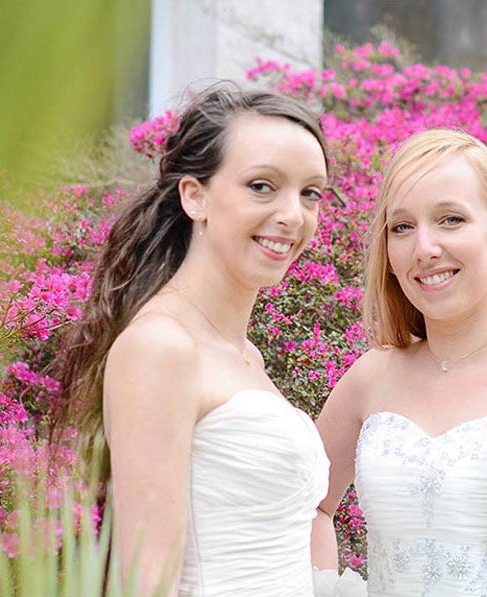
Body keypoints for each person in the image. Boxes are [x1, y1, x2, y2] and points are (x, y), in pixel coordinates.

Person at [54, 85, 336, 596]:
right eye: (261, 186)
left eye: (310, 193)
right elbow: (147, 580)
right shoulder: (160, 347)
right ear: (195, 196)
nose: (293, 215)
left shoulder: (244, 356)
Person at [314, 128, 487, 595]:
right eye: (402, 227)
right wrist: (323, 583)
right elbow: (307, 505)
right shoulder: (371, 377)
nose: (424, 248)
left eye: (450, 219)